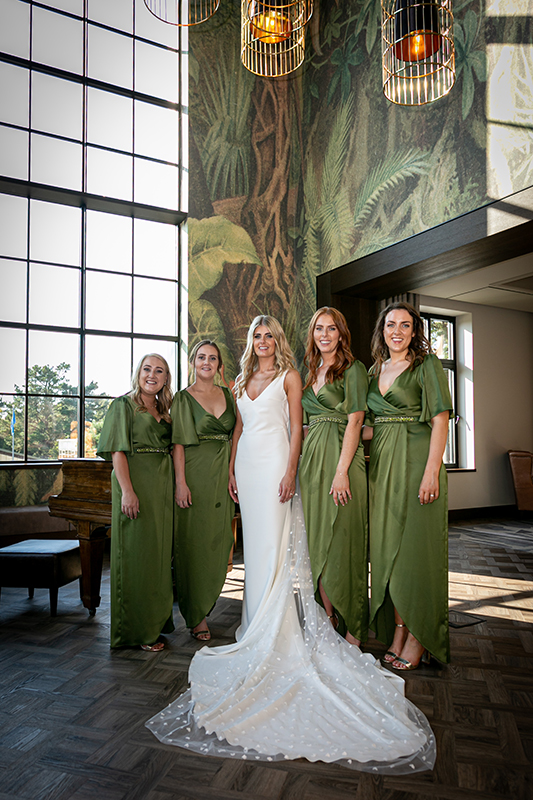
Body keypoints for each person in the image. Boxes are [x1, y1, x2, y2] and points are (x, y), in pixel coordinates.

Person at [146, 316, 436, 773]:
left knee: (277, 547)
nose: (262, 341)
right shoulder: (241, 379)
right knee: (254, 551)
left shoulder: (290, 375)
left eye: (268, 335)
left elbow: (297, 427)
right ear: (250, 343)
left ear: (277, 340)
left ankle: (280, 629)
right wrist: (229, 470)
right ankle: (254, 625)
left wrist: (289, 472)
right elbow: (239, 429)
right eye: (256, 336)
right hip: (246, 466)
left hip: (278, 465)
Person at [365, 302, 453, 670]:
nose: (396, 331)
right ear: (382, 330)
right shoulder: (373, 370)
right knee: (390, 554)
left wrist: (432, 470)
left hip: (418, 464)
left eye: (405, 325)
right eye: (390, 325)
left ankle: (420, 634)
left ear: (415, 331)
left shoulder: (426, 366)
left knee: (417, 554)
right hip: (382, 467)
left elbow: (441, 418)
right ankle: (399, 630)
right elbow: (370, 427)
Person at [299, 308, 368, 646]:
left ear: (341, 333)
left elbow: (355, 421)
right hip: (312, 465)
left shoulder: (353, 370)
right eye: (318, 329)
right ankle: (327, 621)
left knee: (344, 544)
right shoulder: (310, 370)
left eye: (331, 329)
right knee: (317, 548)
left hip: (342, 464)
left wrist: (341, 473)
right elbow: (305, 424)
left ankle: (353, 630)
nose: (324, 335)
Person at [97, 354, 175, 651]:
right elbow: (118, 451)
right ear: (138, 373)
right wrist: (127, 491)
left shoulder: (164, 408)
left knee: (157, 559)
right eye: (147, 369)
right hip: (136, 486)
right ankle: (137, 632)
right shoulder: (123, 405)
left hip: (161, 490)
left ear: (166, 378)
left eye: (159, 371)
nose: (152, 375)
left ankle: (154, 623)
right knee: (136, 558)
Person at [172, 340, 236, 641]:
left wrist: (233, 470)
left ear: (219, 364)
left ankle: (208, 600)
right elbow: (179, 445)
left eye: (212, 358)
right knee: (193, 545)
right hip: (195, 475)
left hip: (223, 475)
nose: (206, 362)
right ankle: (196, 615)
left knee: (220, 542)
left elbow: (237, 434)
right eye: (201, 357)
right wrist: (181, 483)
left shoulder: (229, 394)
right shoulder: (183, 398)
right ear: (193, 363)